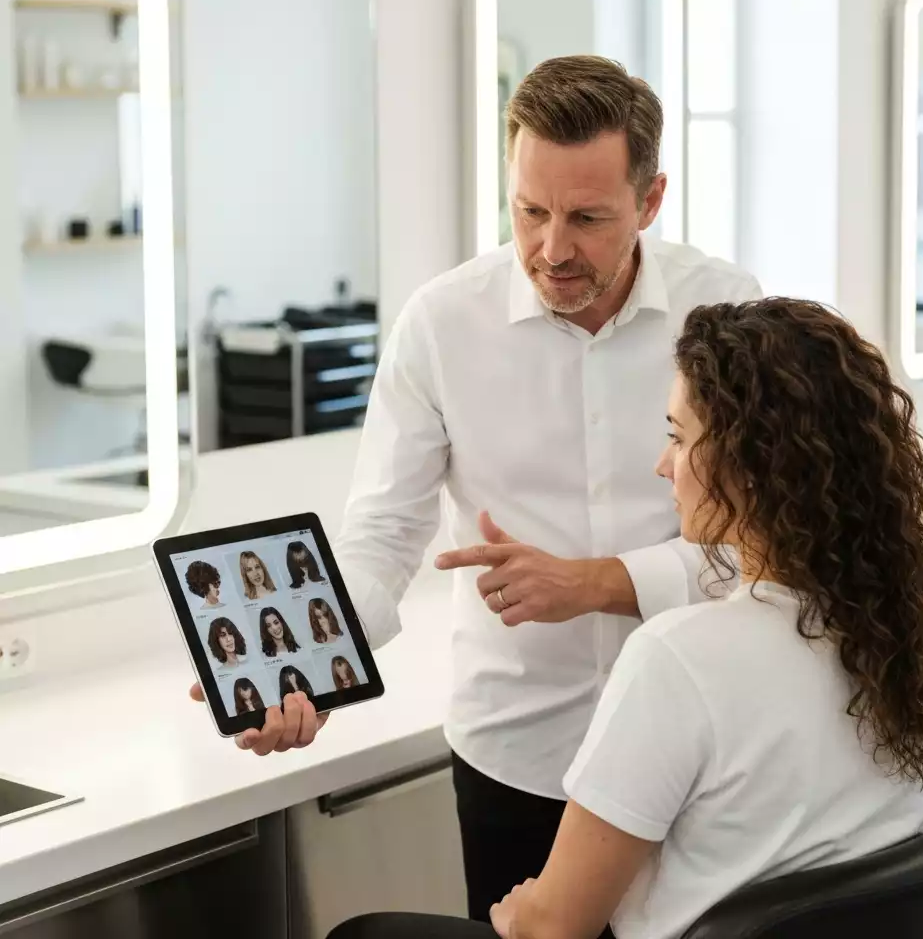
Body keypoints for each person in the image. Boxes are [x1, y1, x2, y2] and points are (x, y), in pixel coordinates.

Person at [188, 55, 761, 912]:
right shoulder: (441, 324)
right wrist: (313, 667)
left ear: (650, 200)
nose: (552, 248)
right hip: (520, 759)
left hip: (703, 751)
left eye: (587, 217)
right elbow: (383, 538)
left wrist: (600, 584)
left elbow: (760, 543)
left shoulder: (727, 313)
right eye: (530, 210)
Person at [327, 298, 923, 939]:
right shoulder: (921, 624)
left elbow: (554, 927)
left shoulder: (679, 659)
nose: (663, 464)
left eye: (678, 436)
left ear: (751, 463)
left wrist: (521, 913)